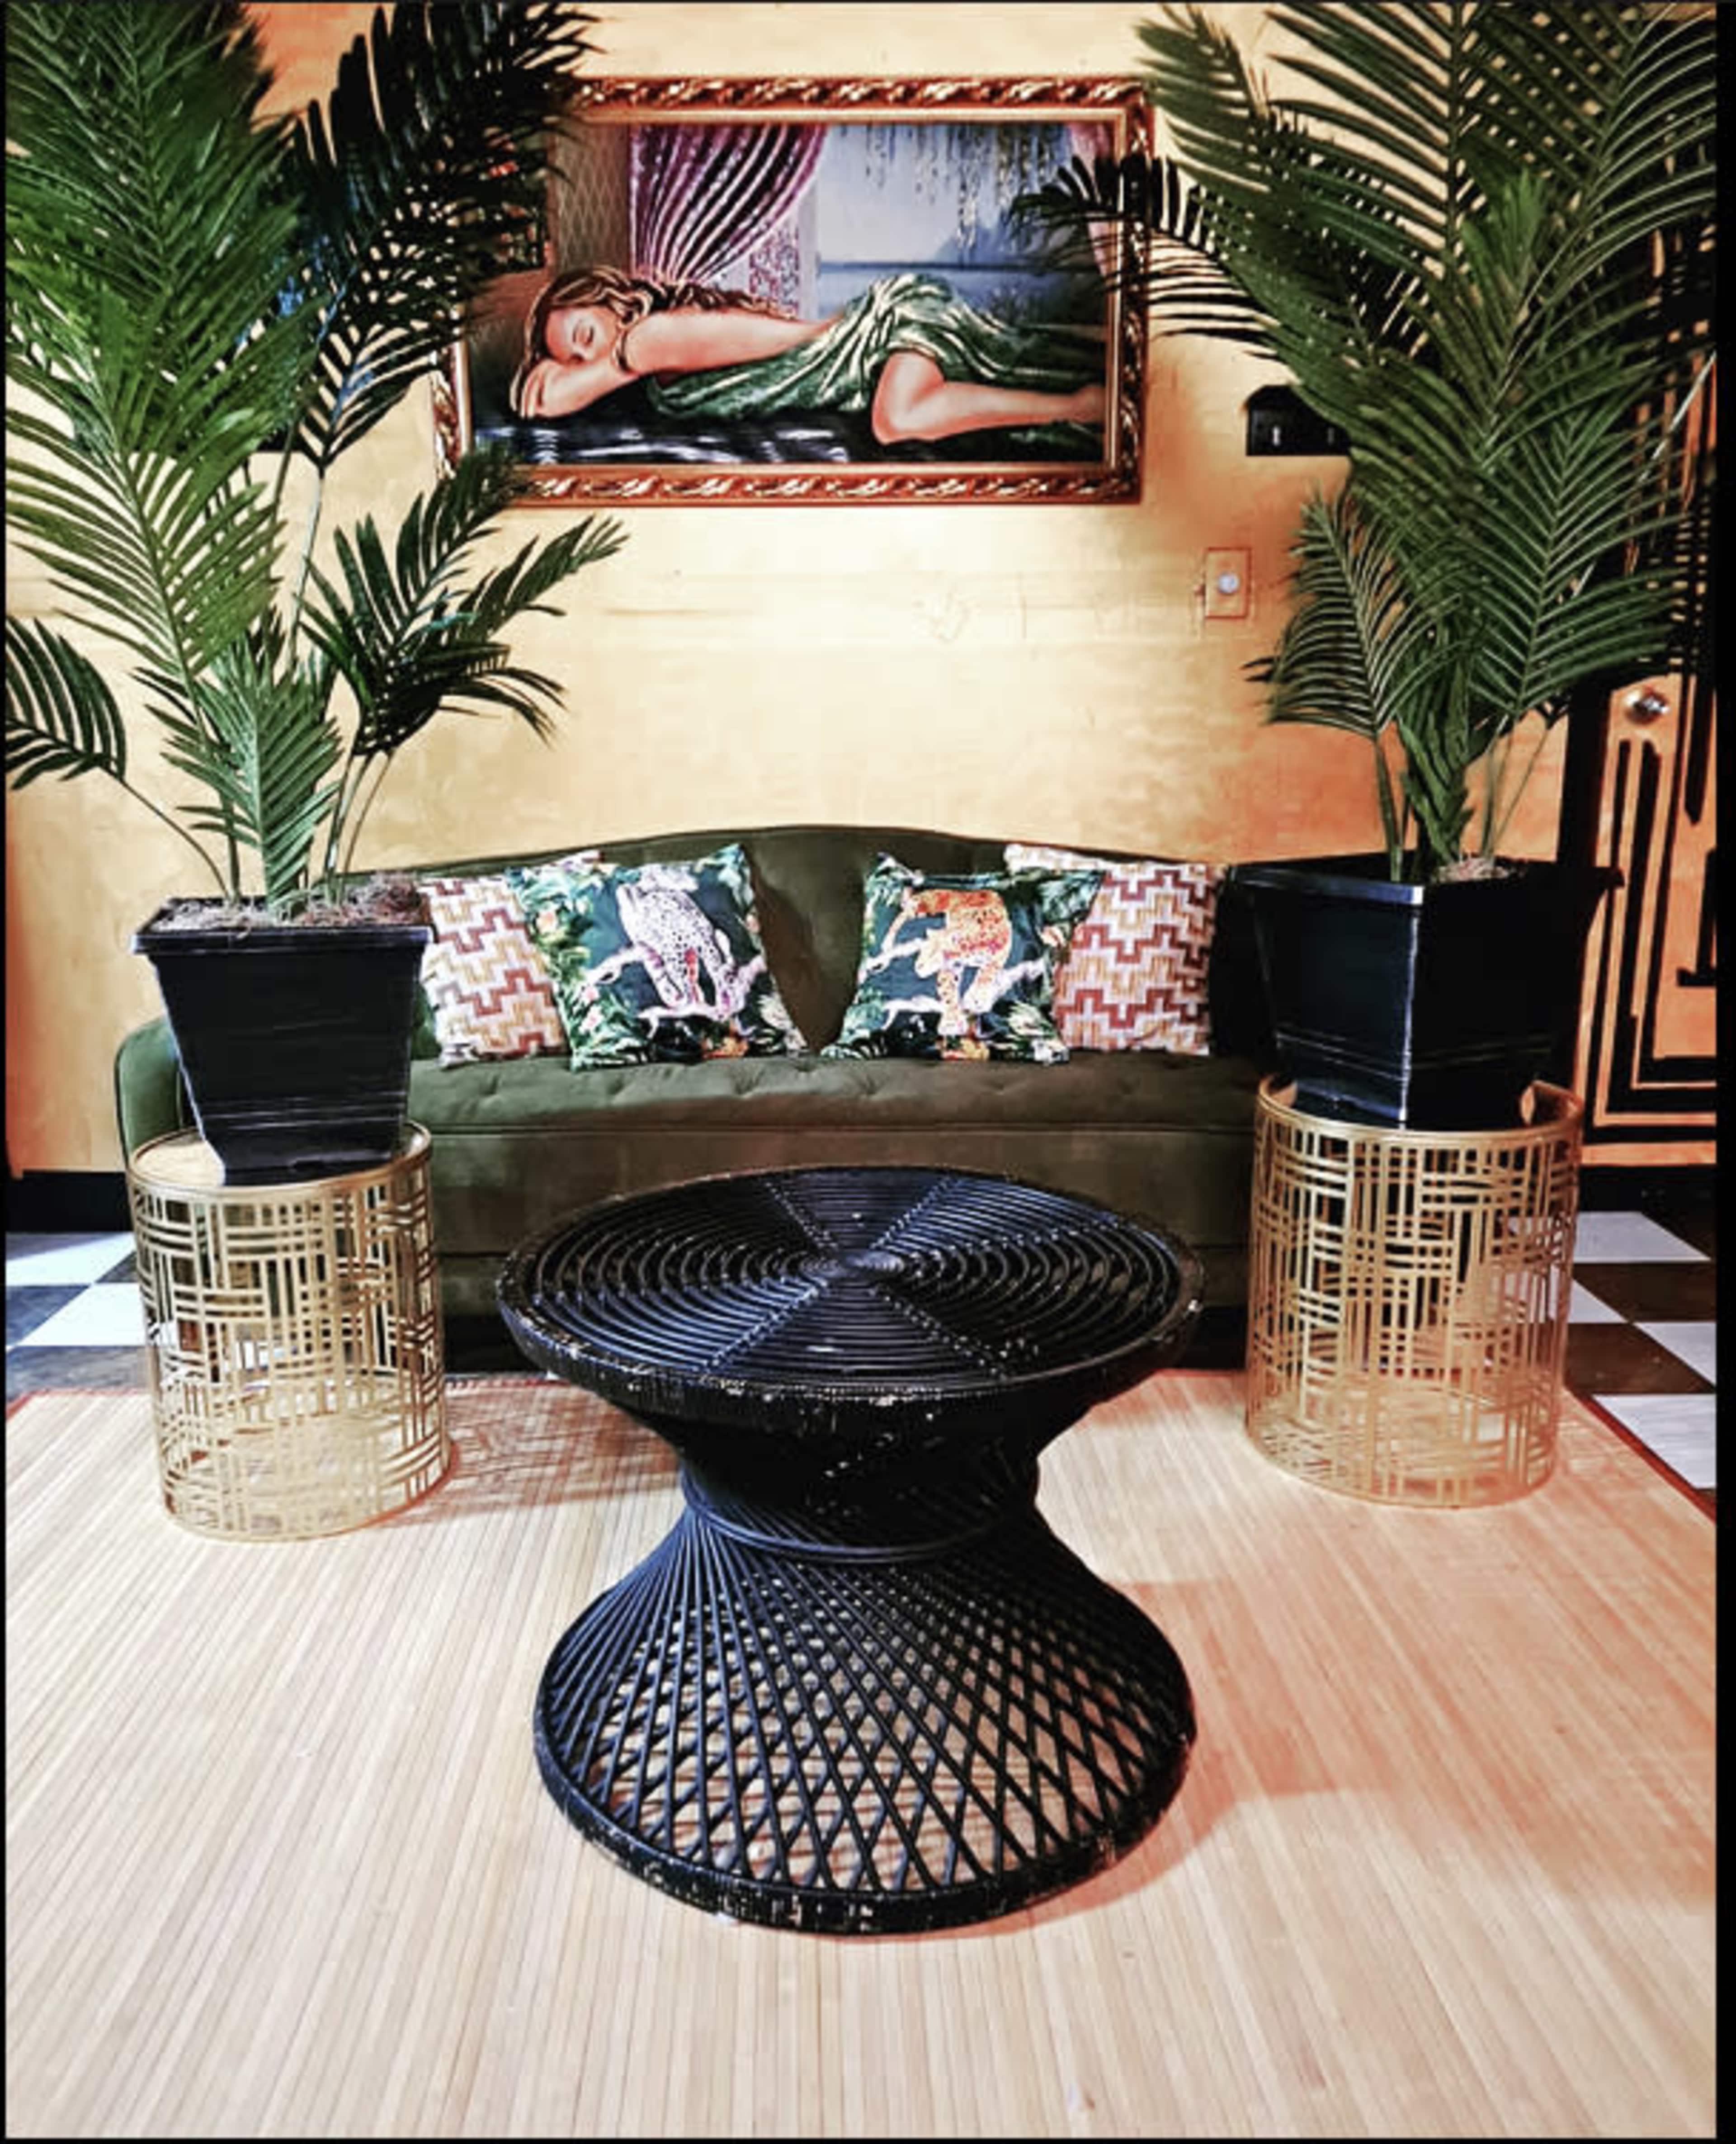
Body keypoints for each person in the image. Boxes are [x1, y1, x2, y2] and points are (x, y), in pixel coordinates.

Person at [509, 264, 1107, 446]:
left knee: (895, 421)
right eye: (573, 357)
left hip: (872, 335)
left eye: (585, 337)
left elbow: (546, 401)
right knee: (1003, 359)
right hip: (867, 341)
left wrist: (560, 374)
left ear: (612, 303)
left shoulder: (648, 340)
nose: (586, 359)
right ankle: (1076, 393)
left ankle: (1075, 407)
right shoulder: (655, 346)